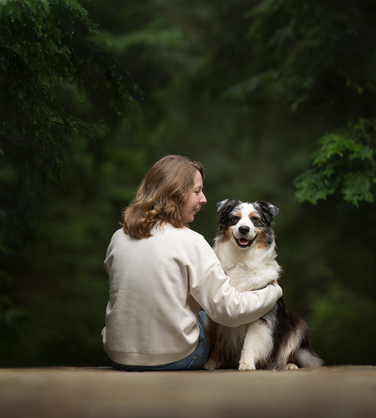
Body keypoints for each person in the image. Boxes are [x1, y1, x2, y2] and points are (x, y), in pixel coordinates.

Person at [102, 154, 283, 371]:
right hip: (175, 358)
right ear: (175, 195)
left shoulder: (118, 237)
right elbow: (228, 311)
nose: (204, 199)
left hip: (118, 355)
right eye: (197, 191)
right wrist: (272, 293)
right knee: (208, 308)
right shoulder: (191, 241)